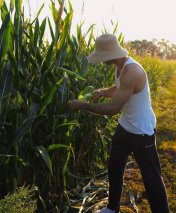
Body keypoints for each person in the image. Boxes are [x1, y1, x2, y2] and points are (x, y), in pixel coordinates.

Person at [67, 34, 170, 213]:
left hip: (141, 131)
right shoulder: (120, 66)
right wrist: (101, 92)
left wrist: (83, 105)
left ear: (110, 55)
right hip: (125, 127)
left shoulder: (132, 72)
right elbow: (118, 87)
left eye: (101, 57)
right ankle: (112, 208)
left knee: (151, 178)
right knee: (114, 167)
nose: (100, 61)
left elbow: (113, 108)